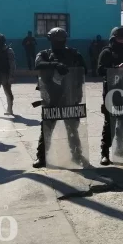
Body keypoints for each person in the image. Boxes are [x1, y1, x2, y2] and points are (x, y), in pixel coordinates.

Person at [33, 27, 87, 168]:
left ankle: (77, 155)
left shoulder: (74, 53)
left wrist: (70, 70)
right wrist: (55, 65)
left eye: (61, 40)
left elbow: (84, 69)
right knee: (46, 129)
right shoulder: (45, 54)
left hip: (70, 96)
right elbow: (38, 64)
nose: (59, 43)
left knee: (72, 130)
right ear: (50, 40)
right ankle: (41, 157)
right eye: (56, 40)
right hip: (51, 97)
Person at [98, 27, 123, 165]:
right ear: (113, 38)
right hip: (111, 91)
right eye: (119, 38)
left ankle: (120, 149)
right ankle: (104, 153)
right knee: (109, 123)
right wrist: (116, 67)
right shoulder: (106, 52)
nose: (122, 41)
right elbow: (100, 70)